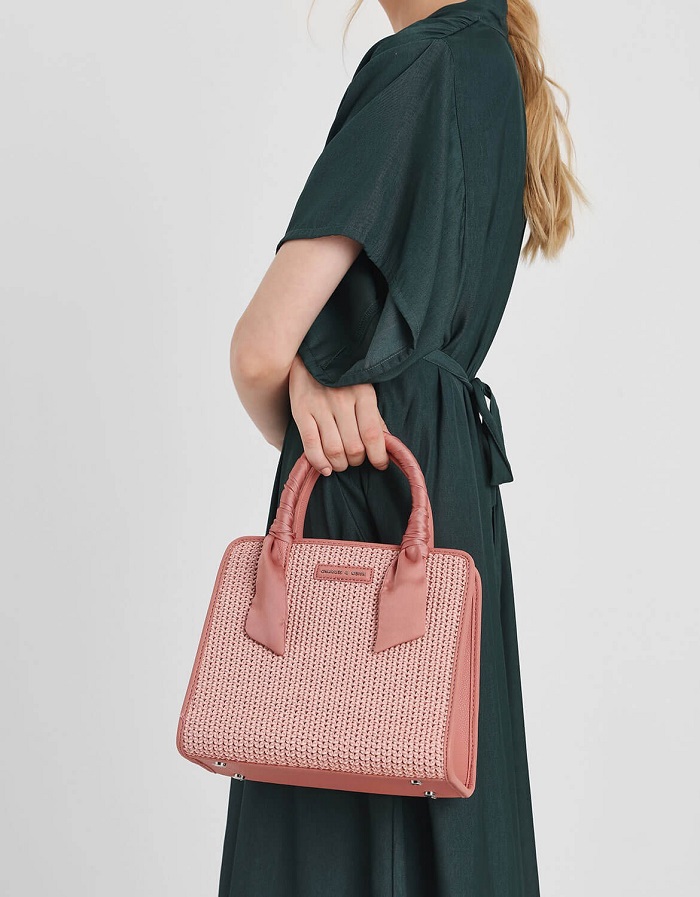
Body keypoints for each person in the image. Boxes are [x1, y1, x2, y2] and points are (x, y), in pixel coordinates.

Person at [222, 0, 586, 894]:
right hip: (444, 483)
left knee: (334, 824)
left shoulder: (421, 65)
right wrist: (314, 377)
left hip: (365, 492)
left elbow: (260, 347)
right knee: (443, 819)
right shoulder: (490, 64)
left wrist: (301, 382)